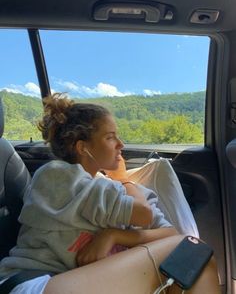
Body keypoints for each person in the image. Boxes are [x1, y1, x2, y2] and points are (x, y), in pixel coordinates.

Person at [0, 93, 220, 294]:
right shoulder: (58, 176)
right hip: (34, 283)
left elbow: (170, 233)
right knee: (195, 255)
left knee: (186, 270)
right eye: (110, 137)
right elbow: (144, 214)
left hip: (76, 280)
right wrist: (123, 179)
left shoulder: (111, 187)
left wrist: (114, 235)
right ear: (82, 147)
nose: (121, 145)